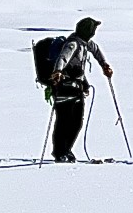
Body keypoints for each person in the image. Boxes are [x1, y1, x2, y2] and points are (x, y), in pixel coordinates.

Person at [47, 17, 112, 163]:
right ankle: (59, 152)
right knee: (64, 121)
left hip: (76, 88)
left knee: (76, 122)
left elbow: (95, 50)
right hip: (65, 87)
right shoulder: (72, 44)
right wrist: (57, 71)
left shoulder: (84, 43)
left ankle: (66, 150)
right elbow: (63, 58)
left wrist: (104, 64)